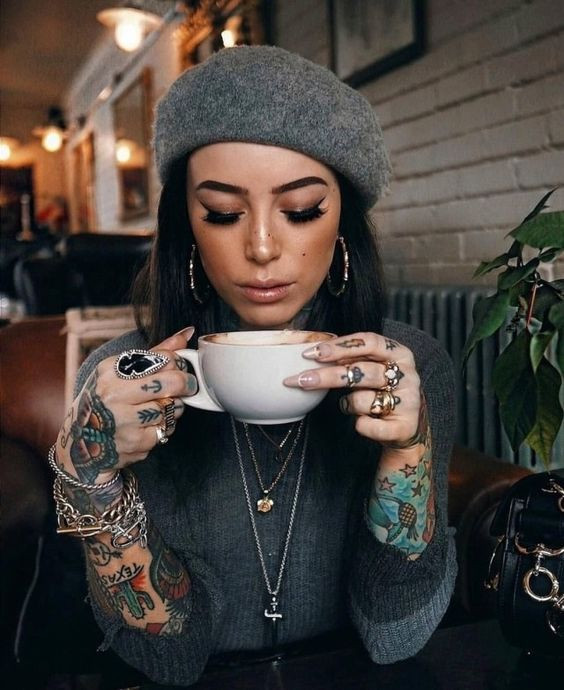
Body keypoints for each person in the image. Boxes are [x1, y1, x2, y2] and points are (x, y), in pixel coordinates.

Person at [51, 45, 457, 686]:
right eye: (222, 213)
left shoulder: (407, 368)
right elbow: (169, 657)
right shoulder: (121, 380)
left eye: (300, 211)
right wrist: (90, 477)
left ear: (344, 222)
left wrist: (408, 453)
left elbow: (395, 631)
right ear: (187, 224)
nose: (262, 247)